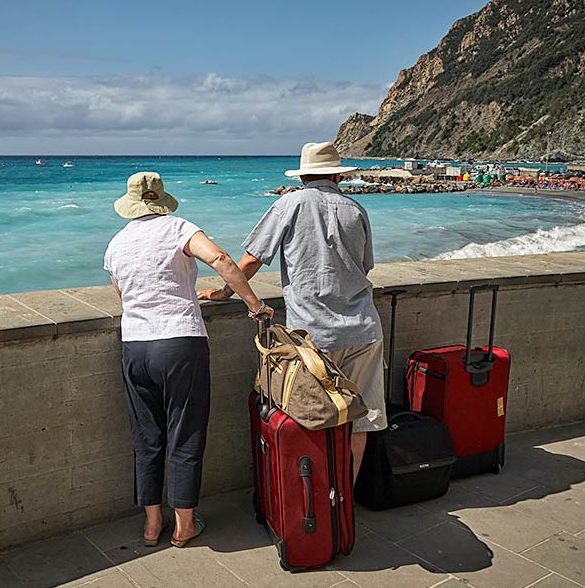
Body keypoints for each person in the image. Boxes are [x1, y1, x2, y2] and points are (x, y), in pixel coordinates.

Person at [104, 171, 273, 549]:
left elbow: (123, 294)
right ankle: (183, 525)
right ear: (161, 200)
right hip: (180, 342)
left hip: (135, 346)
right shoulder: (179, 228)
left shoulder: (116, 244)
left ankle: (151, 525)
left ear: (130, 204)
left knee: (146, 437)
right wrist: (255, 305)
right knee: (185, 432)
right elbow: (221, 259)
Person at [199, 142, 386, 482]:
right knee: (364, 419)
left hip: (314, 337)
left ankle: (317, 504)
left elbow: (252, 258)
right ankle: (344, 501)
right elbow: (365, 267)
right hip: (364, 330)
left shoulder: (289, 204)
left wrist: (225, 291)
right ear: (337, 175)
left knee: (314, 418)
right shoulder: (355, 209)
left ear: (302, 177)